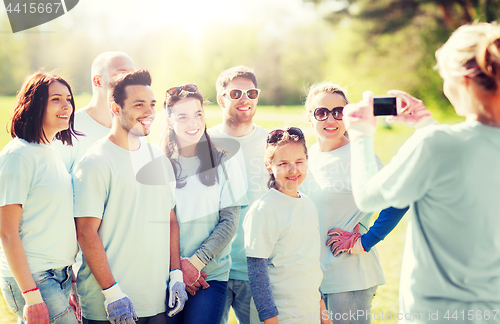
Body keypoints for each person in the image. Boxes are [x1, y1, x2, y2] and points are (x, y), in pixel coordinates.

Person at [340, 23, 500, 323]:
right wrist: (425, 124)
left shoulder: (437, 145)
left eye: (444, 79)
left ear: (462, 81)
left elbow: (367, 197)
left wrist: (360, 135)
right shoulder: (441, 143)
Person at [72, 70, 186, 324]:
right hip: (109, 306)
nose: (148, 112)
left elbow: (170, 219)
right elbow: (86, 233)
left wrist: (176, 273)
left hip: (156, 302)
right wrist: (113, 294)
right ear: (115, 107)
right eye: (138, 105)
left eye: (152, 105)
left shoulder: (159, 160)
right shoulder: (95, 163)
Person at [299, 82, 409, 323]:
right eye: (321, 112)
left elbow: (401, 196)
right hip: (310, 281)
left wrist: (366, 241)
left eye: (339, 112)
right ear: (310, 118)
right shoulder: (307, 157)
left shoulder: (360, 155)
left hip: (349, 278)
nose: (331, 119)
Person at [161, 84, 247, 324]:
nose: (194, 123)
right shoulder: (161, 164)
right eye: (183, 117)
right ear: (169, 122)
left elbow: (229, 222)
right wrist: (178, 269)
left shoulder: (225, 161)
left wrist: (196, 263)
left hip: (210, 275)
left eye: (198, 114)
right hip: (167, 275)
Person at [0, 72, 80, 323]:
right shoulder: (18, 154)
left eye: (68, 99)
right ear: (34, 105)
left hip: (60, 274)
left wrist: (70, 277)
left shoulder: (52, 151)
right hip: (34, 277)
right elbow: (6, 231)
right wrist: (31, 295)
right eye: (56, 99)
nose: (66, 105)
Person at [243, 127, 331, 324]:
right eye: (283, 163)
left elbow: (309, 265)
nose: (293, 170)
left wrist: (323, 314)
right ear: (269, 165)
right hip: (280, 317)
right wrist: (270, 319)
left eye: (299, 162)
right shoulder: (263, 210)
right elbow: (258, 273)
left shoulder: (308, 204)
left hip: (309, 314)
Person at [208, 66, 269, 324]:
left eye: (251, 92)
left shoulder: (273, 143)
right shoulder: (203, 143)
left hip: (257, 268)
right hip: (211, 269)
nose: (245, 99)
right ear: (221, 99)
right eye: (236, 93)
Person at [54, 51, 135, 173]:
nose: (131, 82)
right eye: (122, 74)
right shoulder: (68, 129)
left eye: (133, 76)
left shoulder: (135, 129)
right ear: (98, 81)